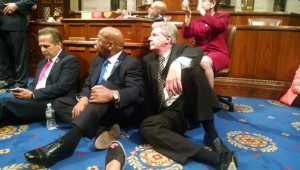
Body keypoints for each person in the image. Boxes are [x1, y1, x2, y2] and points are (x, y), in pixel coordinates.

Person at [104, 22, 238, 170]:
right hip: (169, 113)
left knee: (194, 70)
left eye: (154, 35)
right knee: (147, 127)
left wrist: (176, 65)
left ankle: (211, 135)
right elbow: (144, 92)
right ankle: (217, 159)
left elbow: (197, 53)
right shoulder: (148, 60)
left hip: (187, 108)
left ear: (168, 39)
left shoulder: (181, 50)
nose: (149, 38)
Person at [24, 27, 145, 167]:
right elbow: (88, 84)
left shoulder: (131, 63)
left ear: (110, 45)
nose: (94, 44)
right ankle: (102, 130)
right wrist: (83, 98)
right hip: (96, 110)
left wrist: (111, 94)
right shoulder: (97, 61)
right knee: (60, 103)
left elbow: (137, 91)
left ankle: (66, 144)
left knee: (105, 87)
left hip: (120, 110)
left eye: (98, 40)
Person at [0, 27, 80, 128]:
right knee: (8, 110)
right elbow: (34, 83)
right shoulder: (43, 62)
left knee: (5, 103)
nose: (42, 50)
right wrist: (24, 92)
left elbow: (61, 87)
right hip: (37, 98)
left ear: (59, 45)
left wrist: (33, 94)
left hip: (53, 102)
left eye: (46, 46)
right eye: (41, 46)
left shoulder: (69, 61)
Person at [181, 0, 230, 88]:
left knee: (204, 61)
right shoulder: (197, 21)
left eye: (203, 1)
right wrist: (188, 15)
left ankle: (208, 97)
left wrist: (203, 13)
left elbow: (218, 25)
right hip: (200, 53)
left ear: (213, 3)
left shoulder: (222, 16)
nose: (200, 4)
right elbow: (186, 34)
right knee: (182, 61)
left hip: (218, 52)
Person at [0, 0, 37, 89]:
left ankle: (21, 82)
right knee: (3, 57)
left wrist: (16, 5)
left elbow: (31, 1)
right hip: (1, 25)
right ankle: (8, 80)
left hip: (15, 25)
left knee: (20, 56)